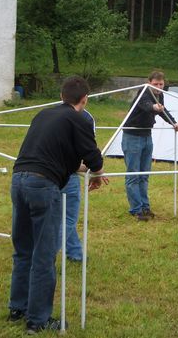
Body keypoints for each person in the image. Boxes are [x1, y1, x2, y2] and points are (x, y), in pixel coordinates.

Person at [8, 76, 107, 334]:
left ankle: (17, 308)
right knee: (44, 253)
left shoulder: (44, 115)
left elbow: (59, 156)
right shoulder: (79, 119)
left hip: (18, 180)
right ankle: (37, 320)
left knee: (23, 249)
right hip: (42, 187)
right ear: (83, 100)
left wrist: (86, 170)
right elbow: (94, 156)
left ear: (62, 96)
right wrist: (96, 172)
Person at [122, 71, 178, 221]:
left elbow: (162, 110)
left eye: (161, 84)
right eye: (156, 84)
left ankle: (145, 207)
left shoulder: (160, 94)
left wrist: (173, 123)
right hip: (132, 136)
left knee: (144, 174)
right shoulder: (143, 92)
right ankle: (136, 210)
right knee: (133, 175)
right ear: (149, 82)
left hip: (147, 136)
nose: (159, 87)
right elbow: (146, 105)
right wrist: (155, 107)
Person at [59, 109, 95, 262]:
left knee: (64, 217)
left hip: (42, 173)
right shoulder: (85, 118)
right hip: (64, 175)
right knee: (66, 218)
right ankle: (42, 255)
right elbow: (89, 151)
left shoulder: (49, 113)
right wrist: (91, 168)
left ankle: (75, 253)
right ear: (85, 98)